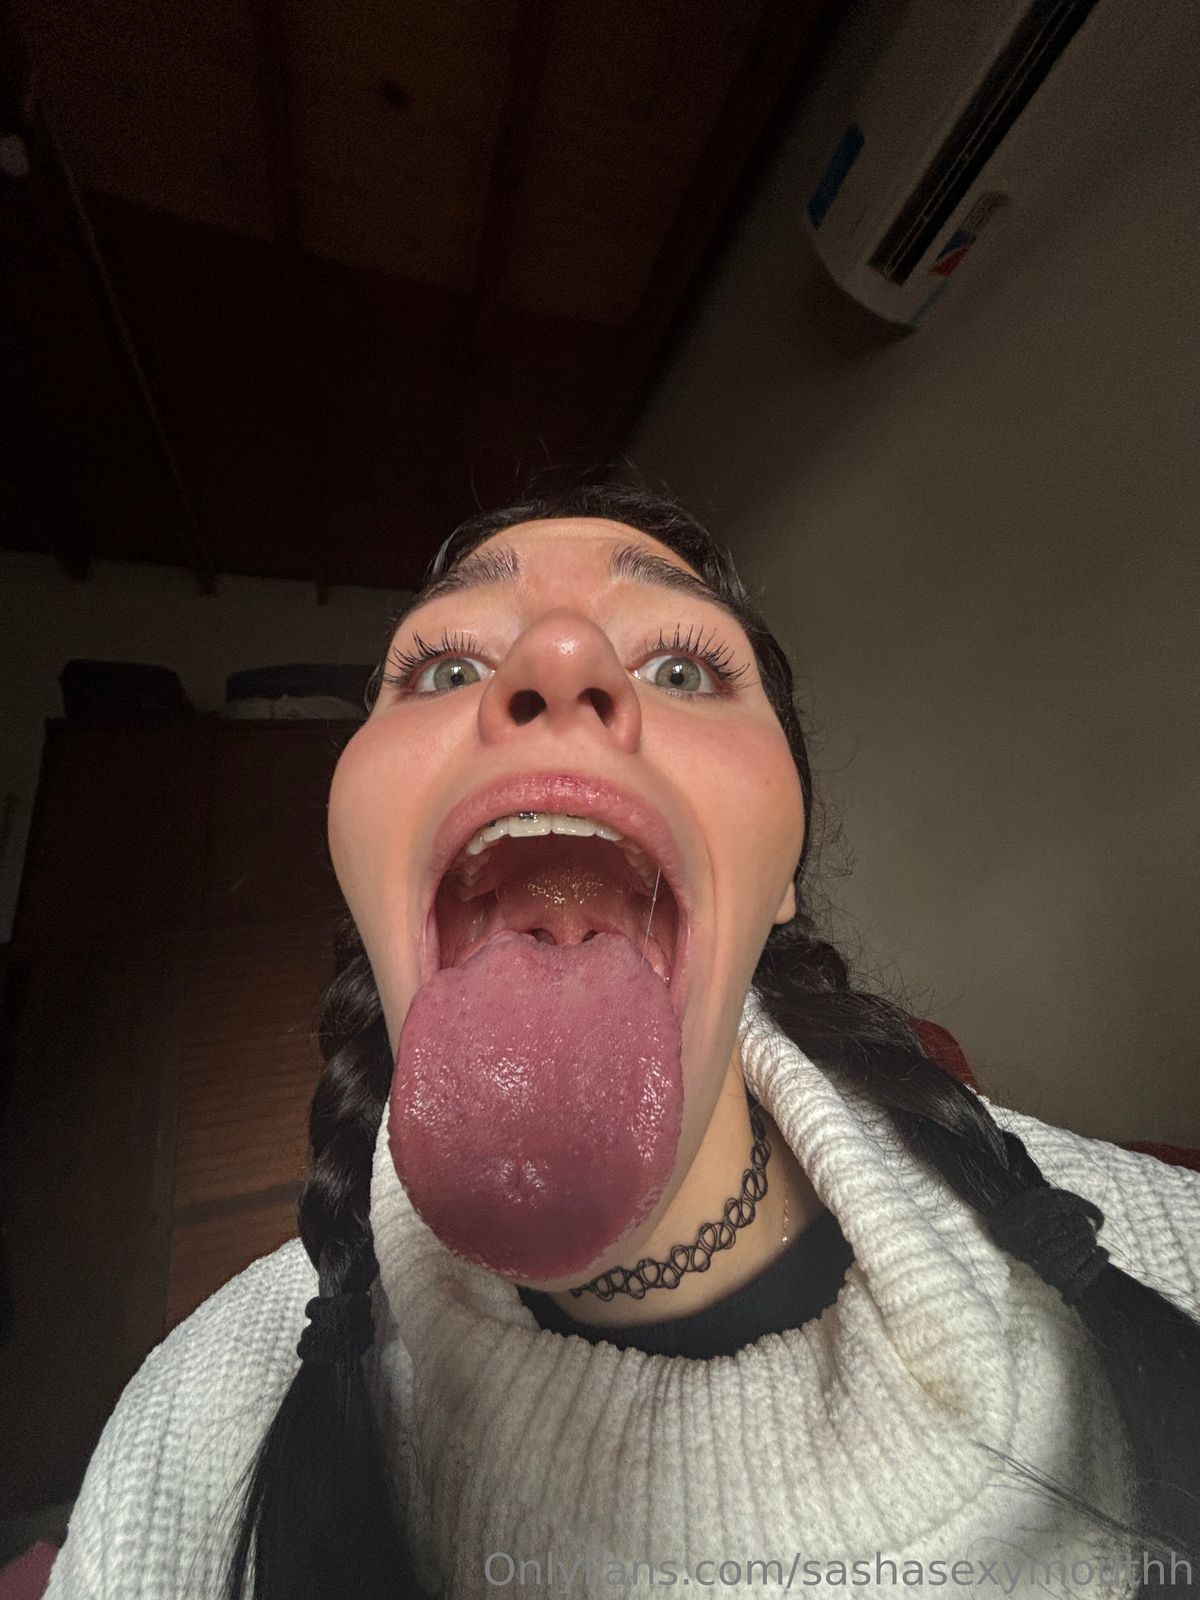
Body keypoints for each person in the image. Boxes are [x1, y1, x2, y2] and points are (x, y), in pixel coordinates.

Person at [42, 481, 1200, 1600]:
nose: (559, 657)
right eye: (448, 669)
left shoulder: (1159, 1248)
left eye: (683, 668)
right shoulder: (189, 1441)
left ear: (782, 877)